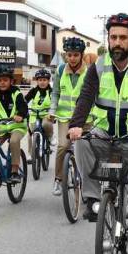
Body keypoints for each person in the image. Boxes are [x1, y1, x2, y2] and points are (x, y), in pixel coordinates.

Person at [68, 13, 128, 254]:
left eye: (123, 38)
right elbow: (86, 96)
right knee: (80, 142)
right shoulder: (98, 66)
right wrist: (76, 125)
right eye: (113, 37)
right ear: (108, 39)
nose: (117, 42)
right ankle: (92, 199)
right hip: (104, 131)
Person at [49, 37, 90, 196]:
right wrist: (52, 110)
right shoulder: (60, 70)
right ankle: (58, 179)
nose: (72, 58)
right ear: (65, 55)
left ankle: (89, 181)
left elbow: (94, 95)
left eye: (76, 55)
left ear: (81, 55)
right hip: (65, 117)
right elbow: (55, 93)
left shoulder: (89, 72)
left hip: (86, 118)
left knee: (87, 149)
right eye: (69, 55)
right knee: (63, 146)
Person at [24, 69, 55, 168]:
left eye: (44, 80)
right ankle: (30, 154)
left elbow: (55, 103)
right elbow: (25, 100)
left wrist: (53, 112)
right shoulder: (33, 91)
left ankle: (50, 137)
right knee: (30, 133)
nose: (42, 82)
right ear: (37, 81)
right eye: (40, 80)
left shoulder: (52, 91)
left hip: (47, 115)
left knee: (46, 125)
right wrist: (22, 108)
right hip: (34, 114)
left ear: (48, 80)